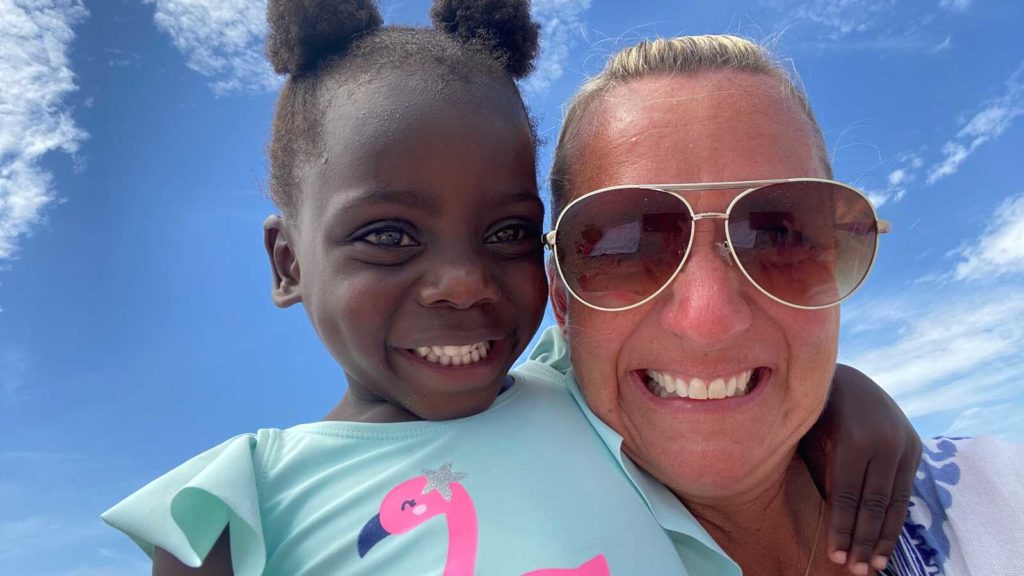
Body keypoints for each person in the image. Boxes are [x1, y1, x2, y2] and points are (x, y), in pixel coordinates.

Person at [102, 4, 919, 575]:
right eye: (388, 235)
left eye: (508, 235)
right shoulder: (247, 497)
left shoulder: (566, 393)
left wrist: (841, 396)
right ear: (288, 264)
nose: (462, 282)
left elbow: (724, 363)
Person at [539, 34, 1022, 576]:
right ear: (562, 301)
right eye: (626, 246)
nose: (709, 321)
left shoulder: (1000, 502)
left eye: (777, 238)